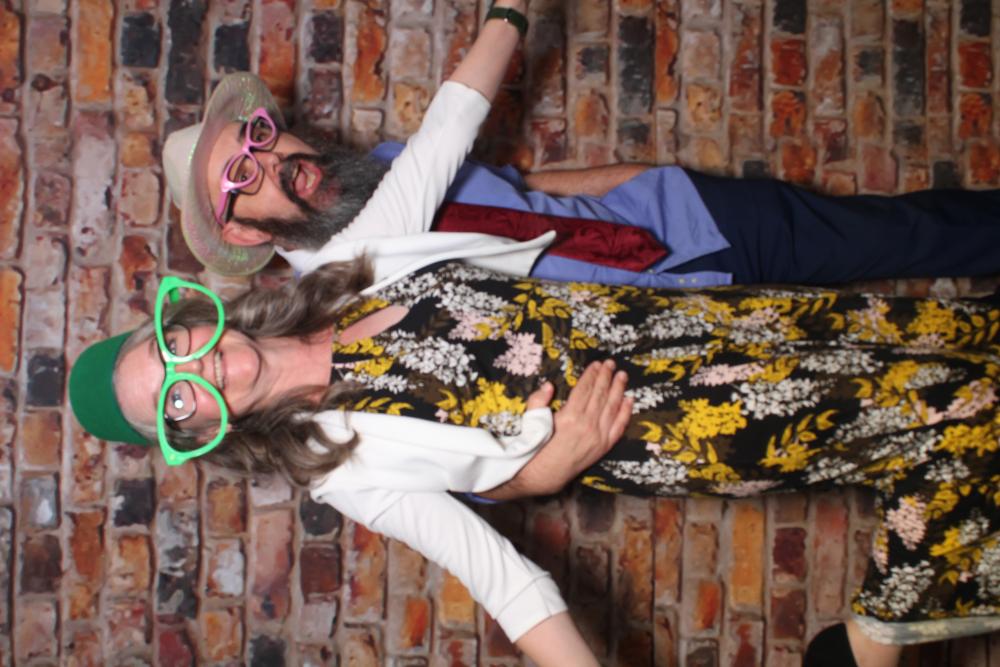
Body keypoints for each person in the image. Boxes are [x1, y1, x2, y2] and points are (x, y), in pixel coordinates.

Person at [70, 253, 1000, 667]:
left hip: (688, 322)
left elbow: (448, 127)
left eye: (172, 349)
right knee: (941, 411)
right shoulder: (340, 471)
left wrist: (510, 13)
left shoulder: (340, 271)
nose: (195, 371)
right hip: (672, 421)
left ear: (190, 319)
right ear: (194, 430)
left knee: (935, 342)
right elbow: (498, 575)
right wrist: (542, 473)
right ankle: (872, 644)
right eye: (173, 400)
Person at [160, 9, 1000, 291]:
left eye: (258, 135)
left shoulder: (378, 164)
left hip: (682, 222)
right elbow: (454, 124)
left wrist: (644, 180)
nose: (270, 158)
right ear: (240, 231)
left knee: (891, 234)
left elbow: (523, 185)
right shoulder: (342, 285)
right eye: (242, 174)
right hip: (671, 325)